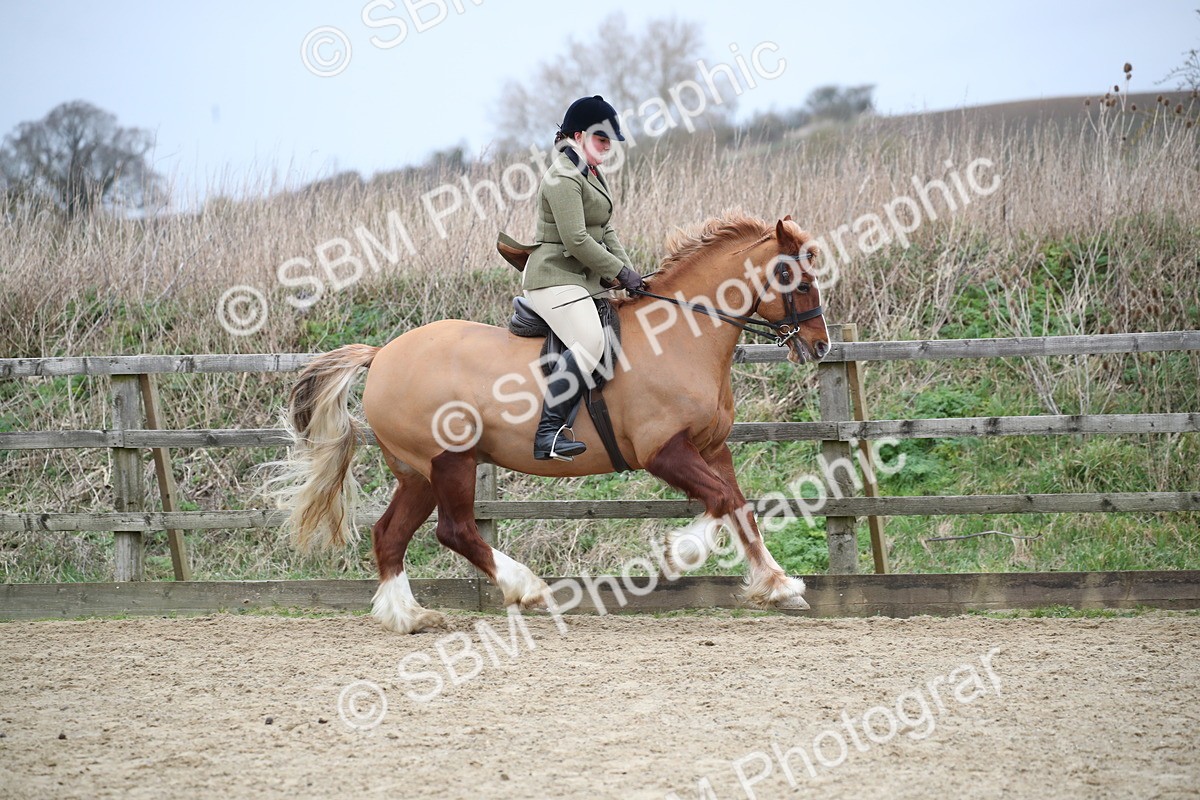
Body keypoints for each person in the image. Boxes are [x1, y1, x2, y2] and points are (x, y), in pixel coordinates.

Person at [520, 95, 646, 461]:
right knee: (591, 342)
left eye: (610, 141)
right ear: (578, 135)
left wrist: (629, 272)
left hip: (580, 279)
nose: (608, 147)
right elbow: (576, 239)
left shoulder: (589, 171)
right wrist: (617, 272)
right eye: (602, 139)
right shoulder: (562, 177)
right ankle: (547, 434)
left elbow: (605, 229)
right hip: (552, 277)